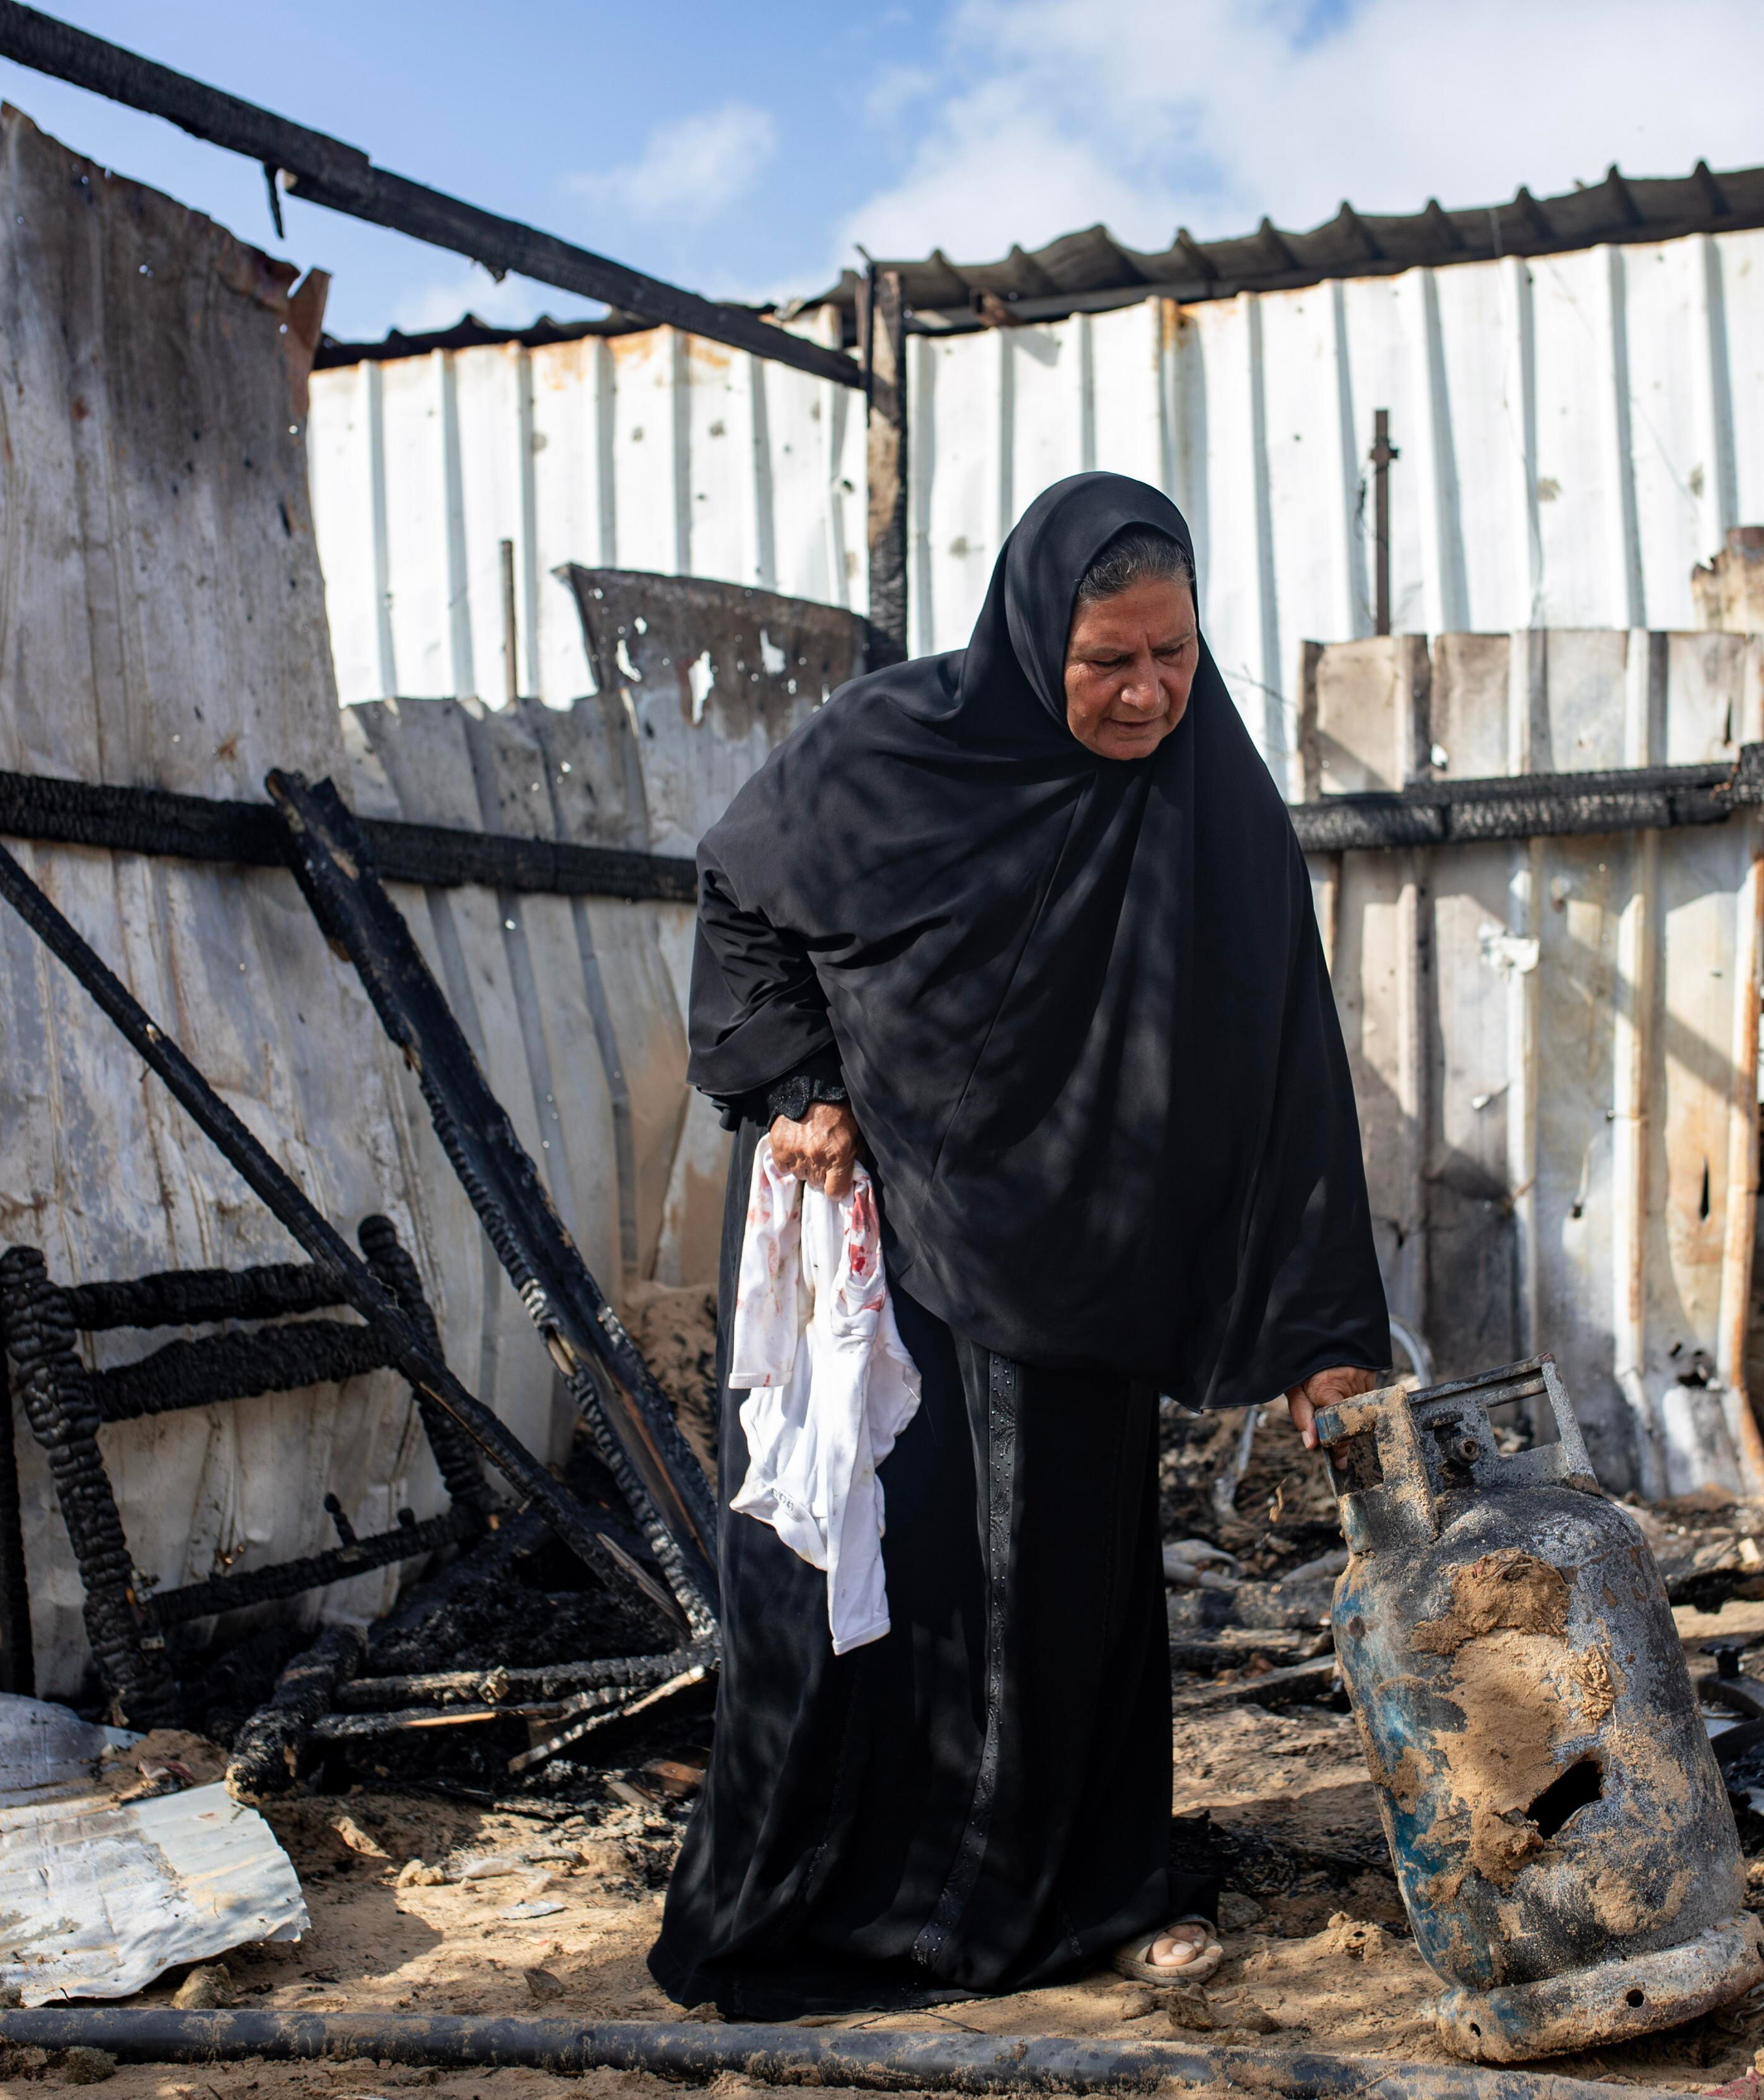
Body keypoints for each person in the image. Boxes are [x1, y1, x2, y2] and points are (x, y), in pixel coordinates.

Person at [651, 472, 1390, 2016]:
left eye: (1173, 654)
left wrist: (1324, 1328)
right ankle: (824, 1902)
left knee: (1054, 1585)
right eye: (1108, 658)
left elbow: (1285, 1063)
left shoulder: (1215, 803)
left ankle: (1073, 1902)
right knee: (853, 1574)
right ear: (1030, 631)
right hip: (880, 1235)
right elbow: (739, 897)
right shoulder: (889, 750)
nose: (1146, 692)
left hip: (1078, 1255)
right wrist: (794, 1084)